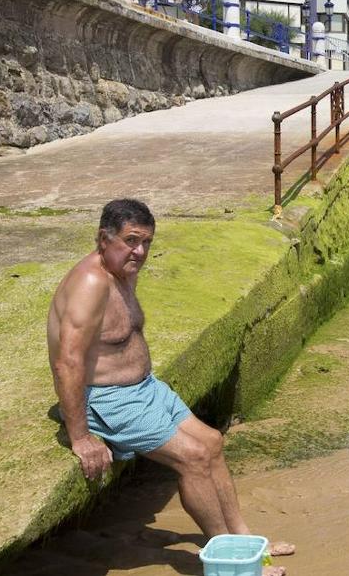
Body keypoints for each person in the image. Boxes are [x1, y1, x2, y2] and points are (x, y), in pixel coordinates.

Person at [47, 200, 292, 575]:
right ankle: (226, 557)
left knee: (211, 442)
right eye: (131, 241)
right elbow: (67, 362)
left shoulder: (124, 269)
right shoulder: (91, 283)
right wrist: (80, 438)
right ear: (103, 238)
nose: (140, 252)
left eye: (146, 242)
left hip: (145, 387)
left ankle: (244, 538)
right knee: (192, 457)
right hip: (109, 400)